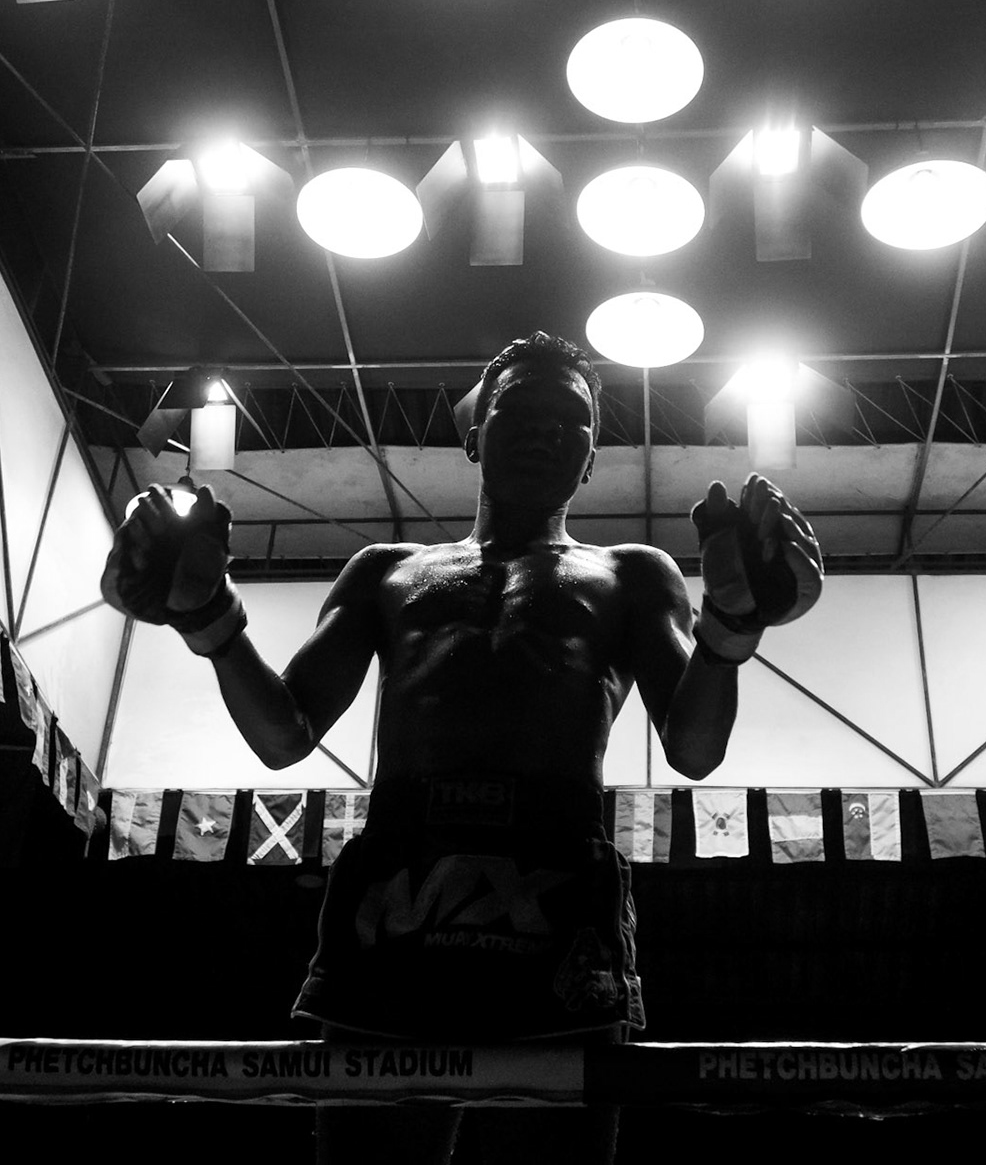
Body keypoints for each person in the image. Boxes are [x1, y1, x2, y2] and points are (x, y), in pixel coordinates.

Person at [101, 332, 822, 1164]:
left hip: (553, 894)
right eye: (523, 410)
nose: (549, 431)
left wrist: (731, 628)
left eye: (573, 421)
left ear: (592, 457)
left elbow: (694, 751)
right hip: (401, 886)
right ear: (475, 432)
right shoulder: (385, 571)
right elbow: (283, 737)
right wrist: (208, 620)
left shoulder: (633, 574)